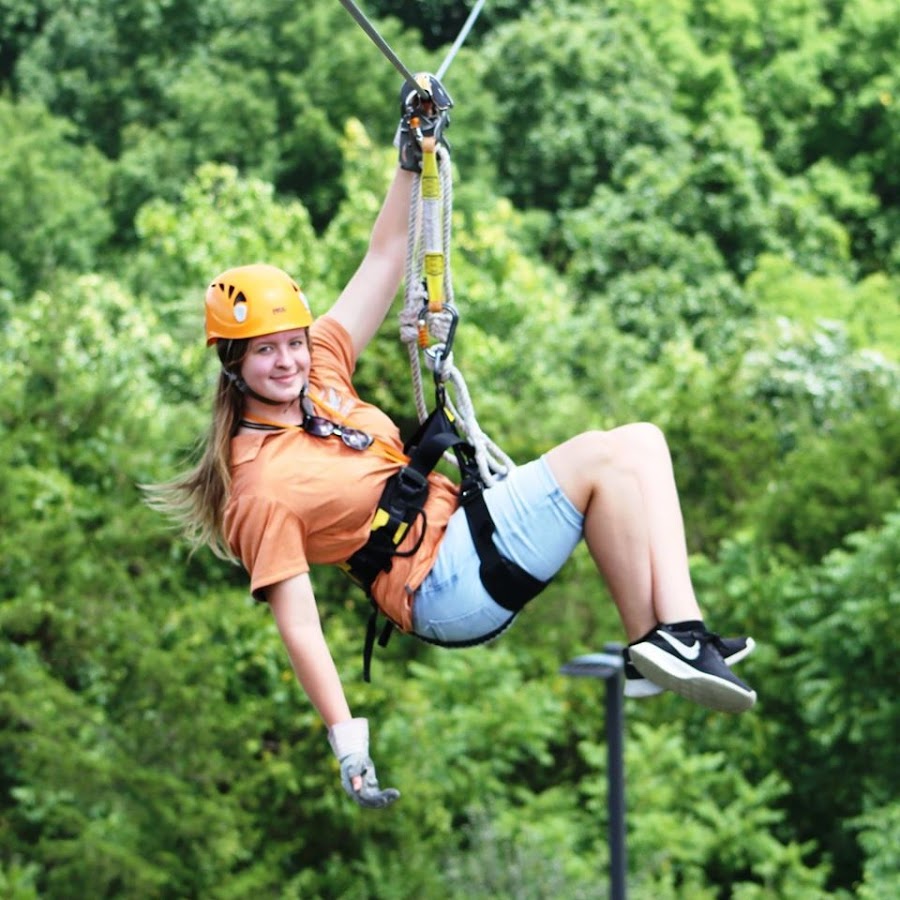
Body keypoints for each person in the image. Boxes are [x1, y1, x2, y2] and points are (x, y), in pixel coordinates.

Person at [146, 77, 757, 810]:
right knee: (605, 458)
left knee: (640, 445)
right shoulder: (258, 489)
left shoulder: (324, 371)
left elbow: (383, 258)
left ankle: (673, 634)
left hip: (462, 534)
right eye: (265, 353)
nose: (287, 362)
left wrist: (412, 153)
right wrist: (349, 745)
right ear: (233, 364)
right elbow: (299, 626)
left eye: (291, 344)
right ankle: (656, 643)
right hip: (440, 586)